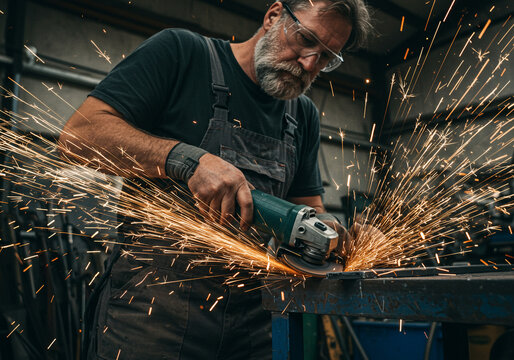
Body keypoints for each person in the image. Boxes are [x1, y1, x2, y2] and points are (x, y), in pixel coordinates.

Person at [59, 1, 372, 359]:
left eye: (326, 58)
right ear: (273, 16)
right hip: (157, 311)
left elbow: (306, 213)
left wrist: (337, 236)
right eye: (305, 39)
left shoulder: (302, 115)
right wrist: (184, 159)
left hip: (259, 316)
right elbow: (79, 137)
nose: (308, 64)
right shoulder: (181, 53)